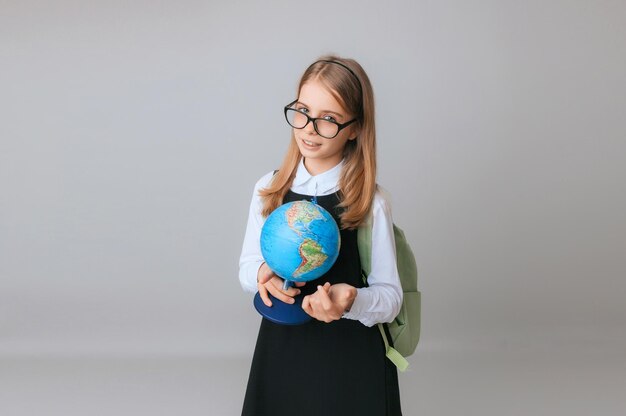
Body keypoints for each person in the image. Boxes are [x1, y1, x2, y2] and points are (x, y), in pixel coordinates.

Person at [238, 55, 403, 416]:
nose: (309, 128)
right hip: (283, 354)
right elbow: (247, 266)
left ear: (355, 128)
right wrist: (261, 275)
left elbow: (391, 298)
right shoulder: (269, 188)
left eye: (328, 119)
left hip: (350, 363)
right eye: (302, 111)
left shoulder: (371, 202)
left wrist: (350, 300)